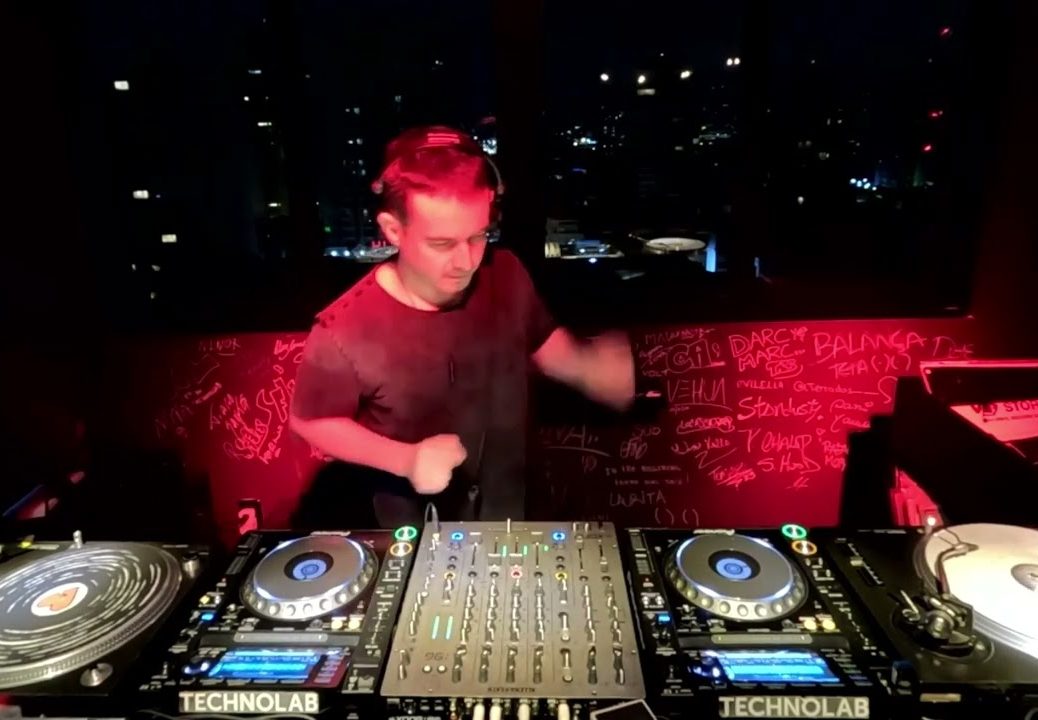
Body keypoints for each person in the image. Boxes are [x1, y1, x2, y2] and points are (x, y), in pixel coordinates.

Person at [289, 126, 634, 527]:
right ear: (393, 230)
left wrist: (589, 369)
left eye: (478, 236)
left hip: (518, 519)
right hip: (417, 534)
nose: (466, 261)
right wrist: (406, 460)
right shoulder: (342, 328)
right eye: (442, 244)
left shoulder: (507, 273)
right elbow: (311, 420)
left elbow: (543, 343)